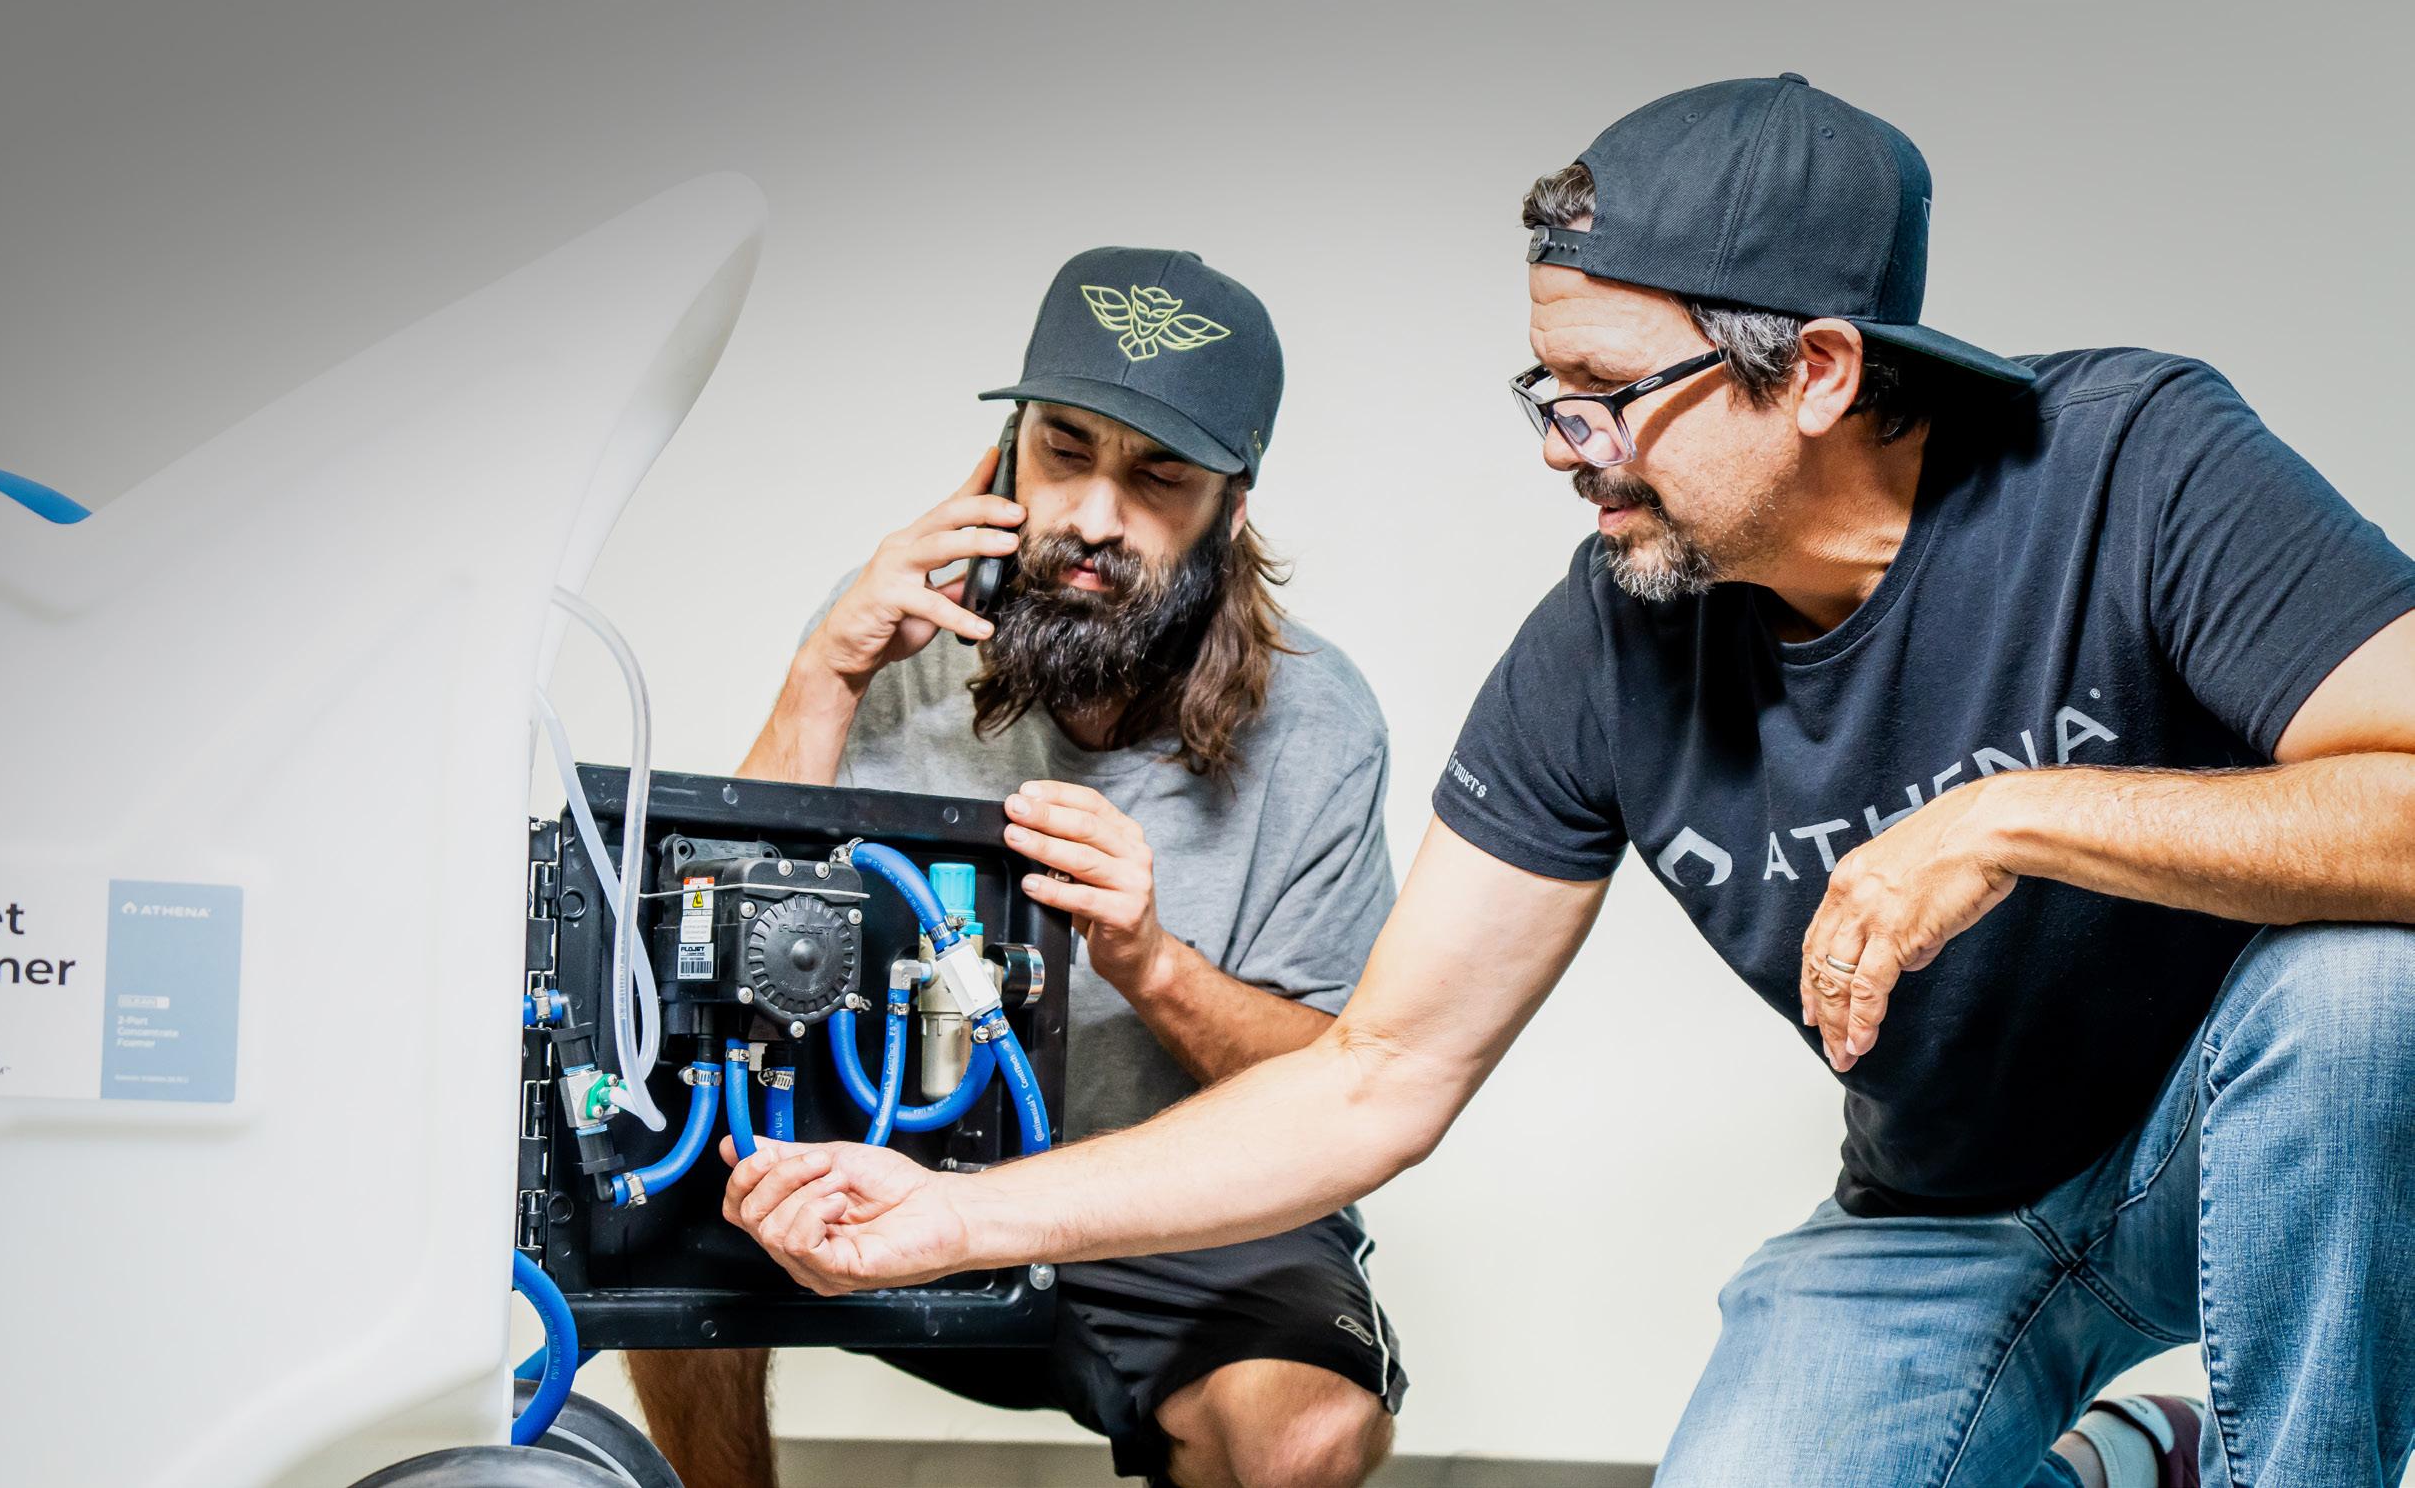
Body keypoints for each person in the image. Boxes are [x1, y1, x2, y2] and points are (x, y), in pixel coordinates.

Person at [721, 77, 2415, 1488]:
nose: (1559, 444)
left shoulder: (2131, 464)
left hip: (2229, 1153)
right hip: (1942, 1221)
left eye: (1609, 394)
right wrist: (941, 1219)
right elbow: (1375, 1075)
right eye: (1549, 389)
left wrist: (2015, 815)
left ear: (1818, 372)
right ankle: (2121, 1460)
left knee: (2360, 983)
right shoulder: (1604, 640)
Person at [627, 247, 1408, 1488]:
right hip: (896, 1159)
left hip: (1167, 1207)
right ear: (1004, 454)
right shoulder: (893, 635)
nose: (1094, 517)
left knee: (1306, 1432)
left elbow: (1342, 1090)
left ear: (1231, 509)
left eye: (1158, 476)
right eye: (1064, 450)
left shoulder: (1319, 722)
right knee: (662, 1190)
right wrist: (826, 675)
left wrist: (1153, 965)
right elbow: (696, 953)